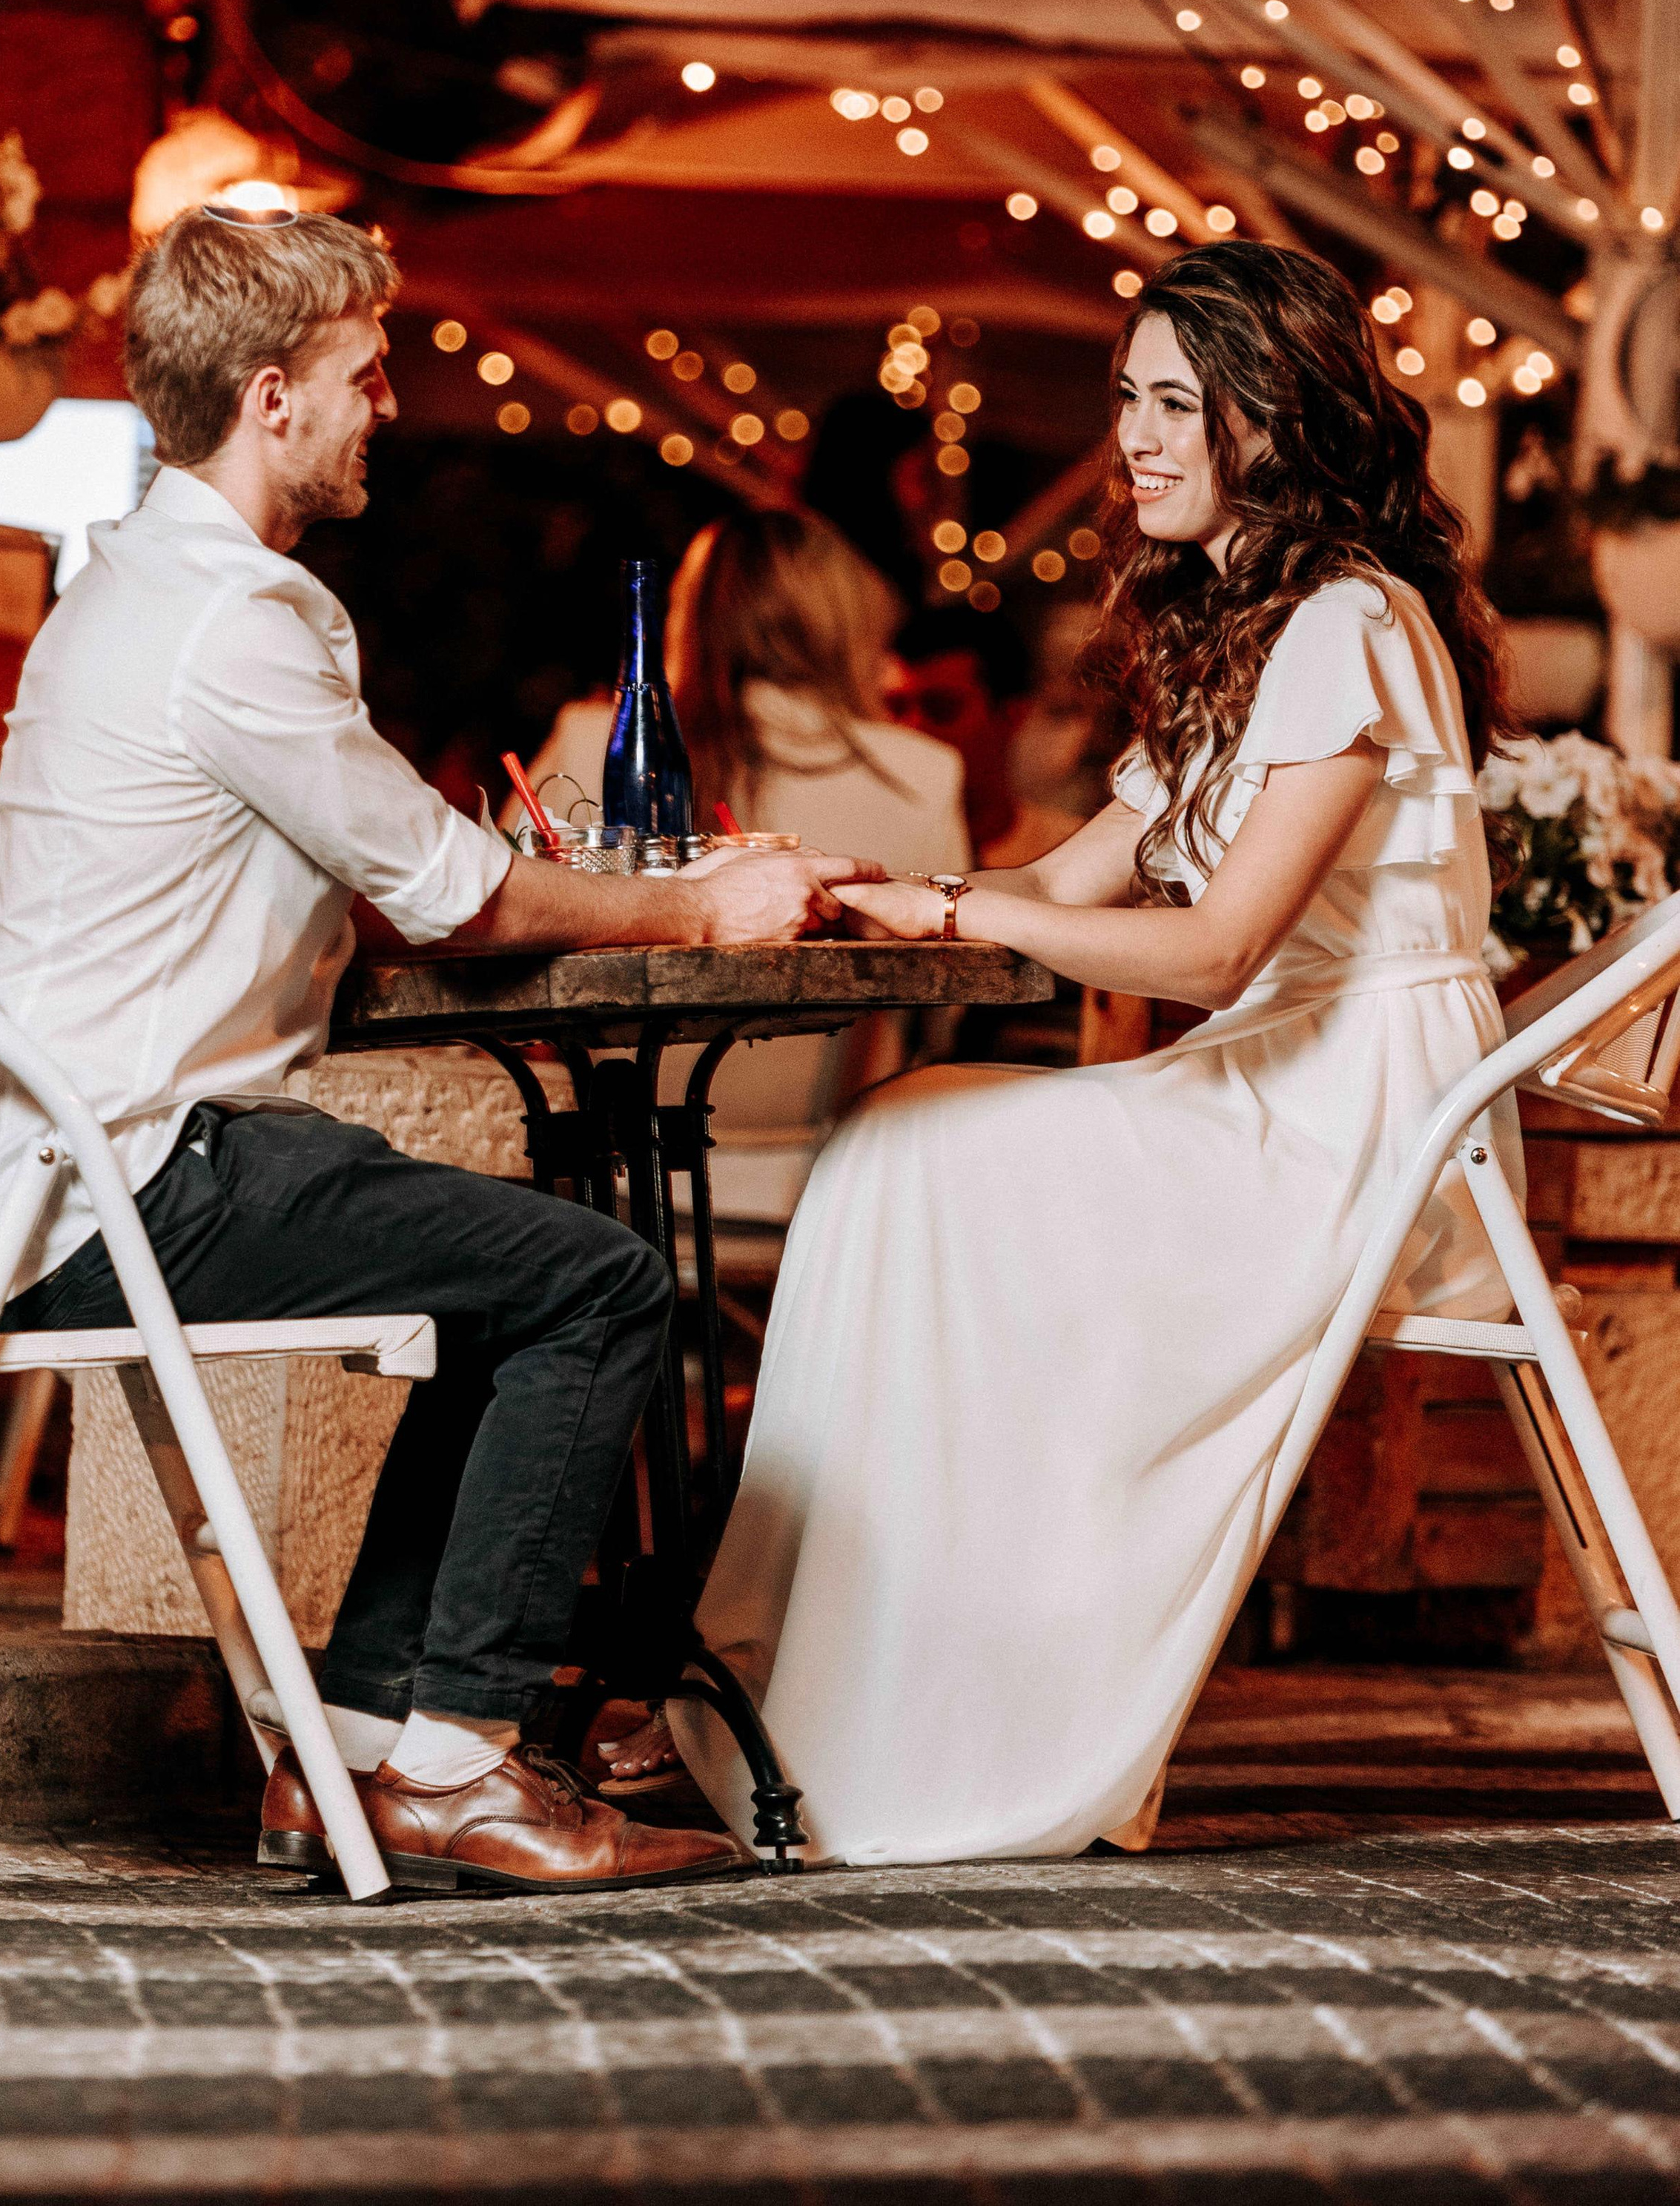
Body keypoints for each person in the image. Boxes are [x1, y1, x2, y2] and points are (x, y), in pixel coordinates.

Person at [0, 204, 877, 1898]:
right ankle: (462, 1760)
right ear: (272, 395)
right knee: (597, 1283)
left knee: (497, 1272)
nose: (388, 408)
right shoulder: (232, 618)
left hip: (60, 1170)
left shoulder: (139, 583)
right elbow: (456, 895)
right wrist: (712, 909)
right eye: (367, 375)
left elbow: (357, 881)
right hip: (125, 1180)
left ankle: (358, 1743)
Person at [669, 240, 1518, 1866]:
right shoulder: (1250, 625)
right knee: (898, 1137)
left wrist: (929, 916)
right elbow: (1061, 882)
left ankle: (907, 1700)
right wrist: (858, 891)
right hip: (1282, 1080)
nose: (1132, 438)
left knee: (921, 1160)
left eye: (1173, 405)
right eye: (1127, 398)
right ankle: (778, 1670)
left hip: (1358, 1115)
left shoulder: (1346, 622)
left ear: (1271, 420)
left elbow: (1211, 950)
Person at [521, 507, 970, 1158]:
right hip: (831, 1162)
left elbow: (505, 919)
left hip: (608, 1158)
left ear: (690, 616)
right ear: (846, 625)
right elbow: (942, 1010)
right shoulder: (922, 772)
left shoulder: (592, 739)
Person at [887, 605, 1079, 868]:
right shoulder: (874, 848)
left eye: (942, 708)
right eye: (896, 709)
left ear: (1012, 715)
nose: (911, 729)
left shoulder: (1070, 853)